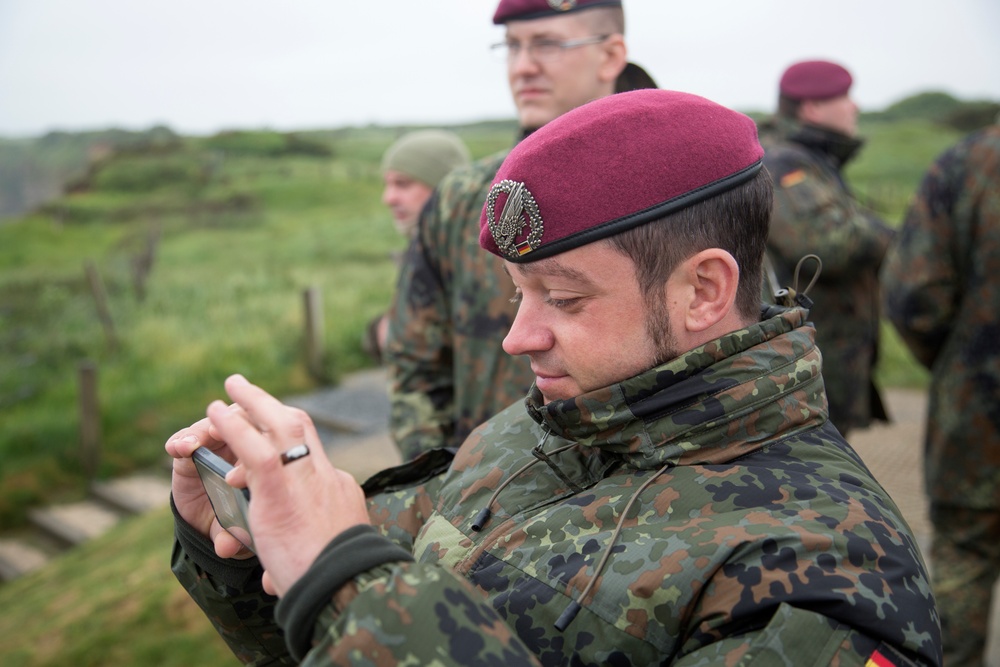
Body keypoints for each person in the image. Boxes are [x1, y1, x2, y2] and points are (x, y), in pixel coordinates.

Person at [168, 89, 941, 666]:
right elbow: (330, 640)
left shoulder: (832, 566)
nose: (517, 337)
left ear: (703, 290)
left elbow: (364, 610)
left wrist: (343, 577)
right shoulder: (532, 428)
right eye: (517, 292)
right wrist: (256, 552)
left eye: (565, 298)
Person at [385, 0, 656, 460]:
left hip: (647, 496)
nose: (523, 67)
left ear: (610, 56)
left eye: (548, 45)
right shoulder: (463, 197)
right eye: (511, 47)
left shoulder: (682, 184)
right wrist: (443, 477)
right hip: (488, 496)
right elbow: (416, 362)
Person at [880, 122, 1000, 667]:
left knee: (964, 558)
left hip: (980, 408)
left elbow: (914, 294)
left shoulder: (969, 163)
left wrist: (962, 366)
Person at [758, 59, 894, 437]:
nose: (855, 106)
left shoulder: (811, 158)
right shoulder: (784, 161)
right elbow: (827, 244)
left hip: (819, 353)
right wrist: (896, 234)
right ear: (812, 107)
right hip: (804, 360)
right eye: (844, 97)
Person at [363, 130, 471, 363]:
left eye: (402, 184)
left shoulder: (478, 259)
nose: (388, 198)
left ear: (446, 187)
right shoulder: (423, 252)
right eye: (388, 184)